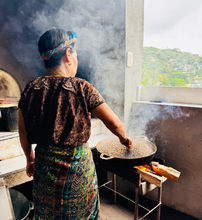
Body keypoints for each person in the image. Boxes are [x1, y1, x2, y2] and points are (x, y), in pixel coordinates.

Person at [18, 27, 133, 220]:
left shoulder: (31, 89)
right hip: (77, 173)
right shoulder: (82, 87)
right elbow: (114, 123)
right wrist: (124, 138)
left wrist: (29, 158)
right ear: (68, 54)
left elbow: (22, 131)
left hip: (45, 169)